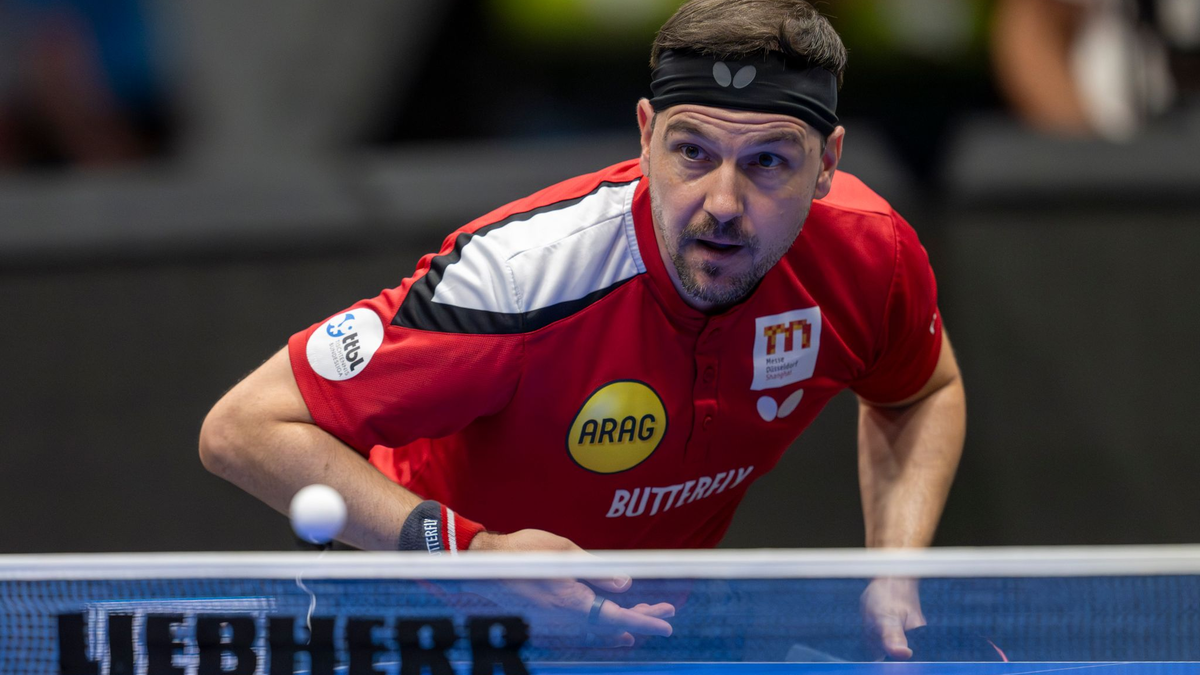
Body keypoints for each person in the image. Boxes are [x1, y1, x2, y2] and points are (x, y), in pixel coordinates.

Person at [199, 0, 966, 658]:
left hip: (653, 635)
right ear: (644, 134)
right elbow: (242, 428)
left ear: (827, 164)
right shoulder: (518, 280)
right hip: (433, 623)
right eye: (692, 152)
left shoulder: (869, 256)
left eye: (768, 162)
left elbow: (921, 389)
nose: (723, 202)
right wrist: (476, 554)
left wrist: (894, 571)